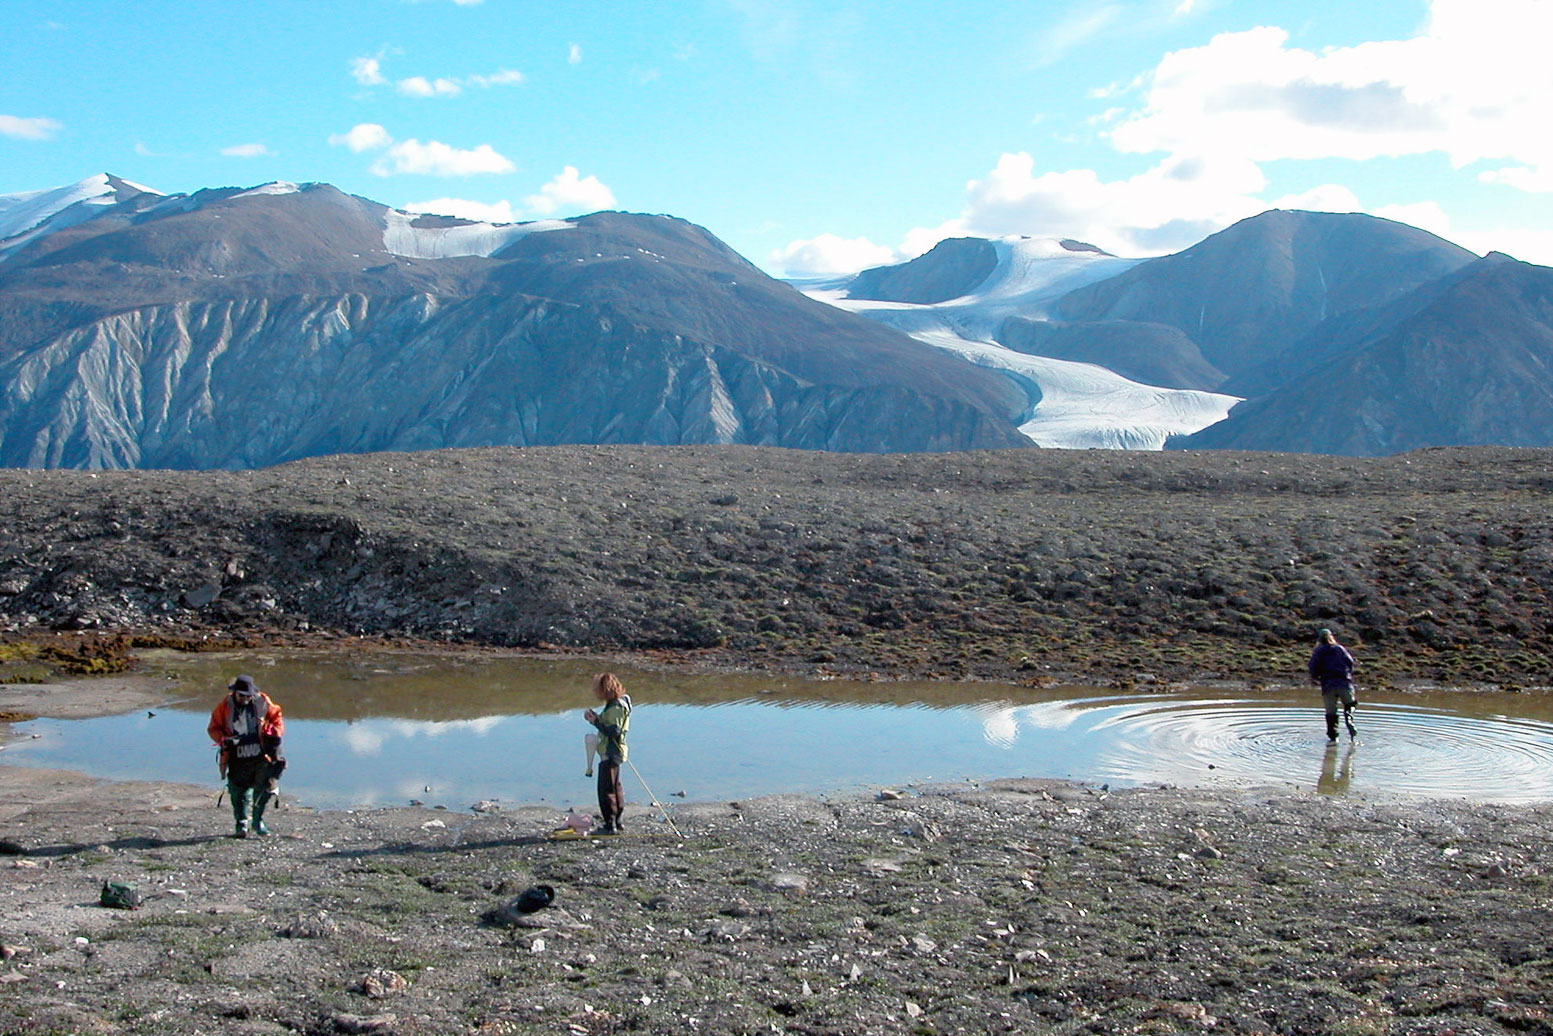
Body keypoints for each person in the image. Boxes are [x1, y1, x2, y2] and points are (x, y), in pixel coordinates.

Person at [207, 675, 285, 838]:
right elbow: (213, 728)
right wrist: (224, 740)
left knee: (264, 788)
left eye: (248, 695)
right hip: (237, 756)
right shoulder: (224, 707)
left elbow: (277, 718)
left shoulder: (263, 702)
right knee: (237, 790)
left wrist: (274, 733)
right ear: (235, 693)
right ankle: (241, 824)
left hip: (262, 755)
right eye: (242, 695)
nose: (245, 698)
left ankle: (258, 821)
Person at [583, 672, 631, 835]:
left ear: (606, 690)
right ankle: (617, 821)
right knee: (615, 786)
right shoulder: (620, 703)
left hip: (611, 753)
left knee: (606, 789)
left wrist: (595, 721)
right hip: (615, 752)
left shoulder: (616, 706)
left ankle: (610, 825)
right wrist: (597, 718)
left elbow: (614, 731)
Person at [1307, 629, 1357, 741]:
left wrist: (1315, 677)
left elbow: (1313, 667)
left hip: (1328, 685)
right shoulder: (1340, 649)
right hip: (1344, 683)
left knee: (1331, 713)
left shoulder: (1318, 651)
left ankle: (1333, 737)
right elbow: (1350, 662)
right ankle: (1349, 720)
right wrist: (1348, 674)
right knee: (1350, 704)